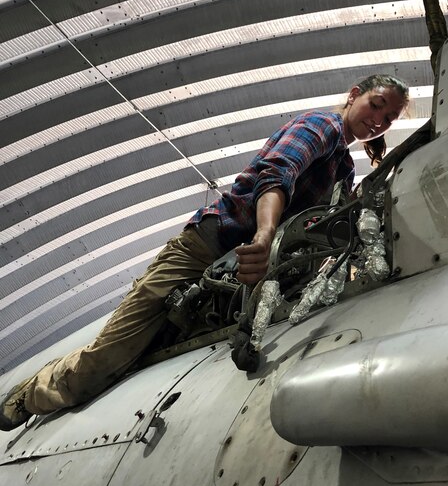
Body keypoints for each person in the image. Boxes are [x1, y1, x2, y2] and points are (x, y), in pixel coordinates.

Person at [0, 74, 409, 431]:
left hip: (241, 274)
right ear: (355, 94)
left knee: (142, 352)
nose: (378, 121)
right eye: (376, 106)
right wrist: (265, 235)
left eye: (388, 119)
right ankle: (30, 396)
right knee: (110, 357)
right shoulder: (322, 126)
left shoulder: (344, 169)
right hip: (207, 247)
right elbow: (277, 172)